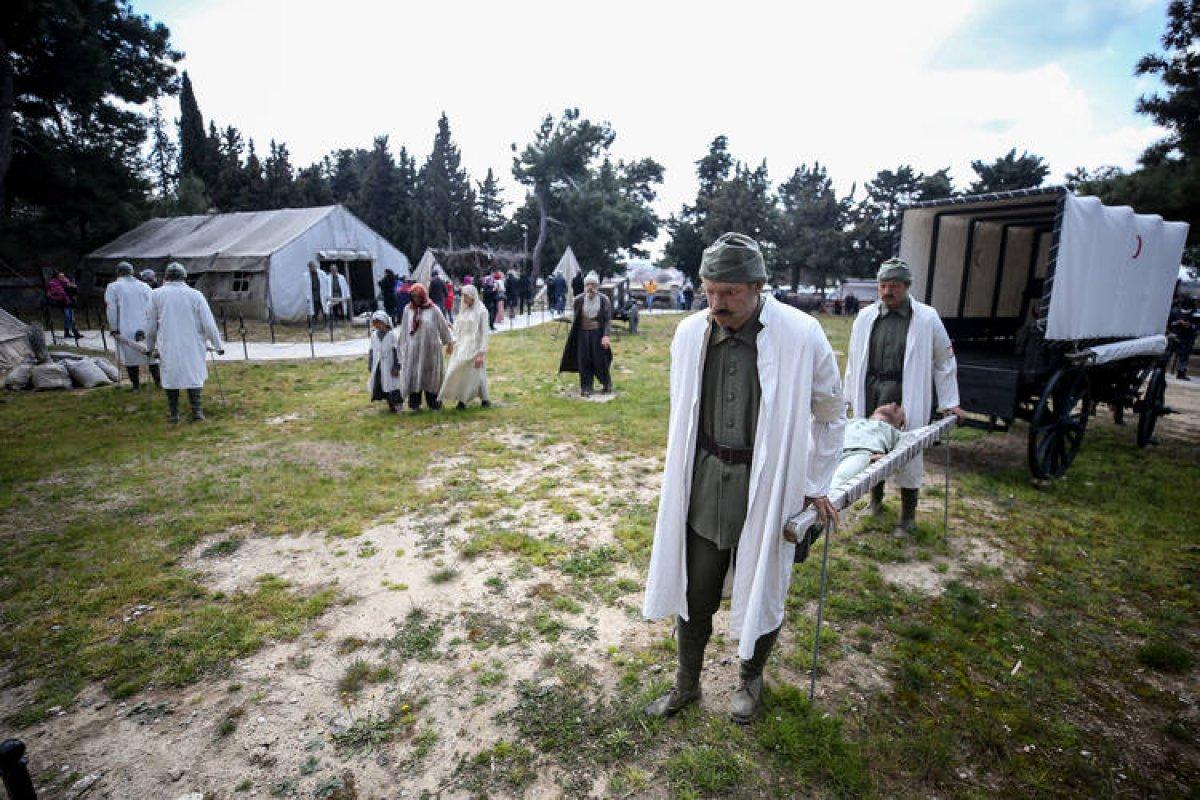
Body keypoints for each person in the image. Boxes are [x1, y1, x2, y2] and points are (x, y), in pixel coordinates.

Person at [642, 232, 845, 724]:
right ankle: (686, 685)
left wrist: (815, 482)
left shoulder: (801, 334)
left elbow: (831, 412)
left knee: (764, 584)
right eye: (710, 291)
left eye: (730, 292)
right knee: (695, 590)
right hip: (706, 482)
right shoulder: (690, 333)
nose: (717, 303)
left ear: (758, 287)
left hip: (770, 481)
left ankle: (751, 680)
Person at [844, 257, 963, 538]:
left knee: (908, 452)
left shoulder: (926, 317)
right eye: (883, 285)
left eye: (894, 286)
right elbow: (853, 360)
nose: (887, 291)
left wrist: (949, 402)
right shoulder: (865, 317)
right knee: (870, 444)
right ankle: (876, 500)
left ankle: (908, 516)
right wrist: (848, 397)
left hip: (904, 392)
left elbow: (944, 360)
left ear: (907, 286)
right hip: (871, 389)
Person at [144, 262, 224, 423]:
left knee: (171, 376)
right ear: (184, 277)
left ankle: (175, 414)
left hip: (168, 343)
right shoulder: (195, 295)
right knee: (193, 374)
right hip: (193, 343)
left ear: (166, 277)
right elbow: (209, 323)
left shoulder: (156, 295)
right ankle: (197, 412)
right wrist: (218, 345)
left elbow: (150, 325)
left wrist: (150, 346)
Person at [397, 283, 453, 411]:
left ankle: (434, 403)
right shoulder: (408, 309)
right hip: (414, 350)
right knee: (414, 375)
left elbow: (443, 325)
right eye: (413, 296)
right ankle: (415, 404)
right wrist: (402, 345)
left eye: (418, 296)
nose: (416, 299)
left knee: (431, 377)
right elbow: (405, 328)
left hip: (430, 350)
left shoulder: (433, 309)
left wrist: (449, 342)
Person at [104, 261, 160, 390]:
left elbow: (111, 309)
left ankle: (136, 386)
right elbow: (154, 307)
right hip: (146, 326)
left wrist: (114, 328)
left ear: (118, 272)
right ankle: (158, 382)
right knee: (151, 354)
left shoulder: (113, 287)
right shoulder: (144, 286)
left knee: (130, 357)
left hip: (126, 326)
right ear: (132, 272)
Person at [559, 271, 612, 396]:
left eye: (593, 285)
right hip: (583, 333)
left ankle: (606, 383)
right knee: (584, 360)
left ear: (597, 286)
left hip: (598, 333)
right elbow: (576, 317)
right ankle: (586, 387)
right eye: (588, 285)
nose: (590, 288)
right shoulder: (579, 300)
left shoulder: (604, 300)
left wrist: (606, 336)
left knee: (600, 360)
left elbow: (607, 319)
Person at [438, 284, 491, 410]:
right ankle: (471, 398)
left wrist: (481, 354)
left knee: (473, 373)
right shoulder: (465, 310)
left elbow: (484, 334)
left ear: (472, 296)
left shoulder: (482, 311)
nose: (463, 298)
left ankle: (466, 400)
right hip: (462, 346)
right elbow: (459, 328)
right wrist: (450, 325)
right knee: (458, 371)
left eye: (465, 295)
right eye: (462, 295)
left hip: (475, 347)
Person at [367, 310, 402, 413]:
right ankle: (389, 402)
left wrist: (396, 366)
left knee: (393, 384)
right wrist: (370, 363)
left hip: (390, 363)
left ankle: (397, 404)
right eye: (375, 323)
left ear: (385, 322)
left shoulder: (392, 335)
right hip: (379, 364)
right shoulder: (374, 335)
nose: (377, 326)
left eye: (379, 323)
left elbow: (397, 351)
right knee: (381, 383)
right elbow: (372, 350)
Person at [1168, 297, 1197, 380]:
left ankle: (1181, 373)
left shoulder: (1195, 314)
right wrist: (1178, 322)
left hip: (1188, 338)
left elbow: (1197, 326)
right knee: (1169, 353)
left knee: (1184, 356)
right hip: (1175, 336)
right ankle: (1160, 370)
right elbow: (1169, 323)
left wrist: (1190, 325)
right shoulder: (1175, 312)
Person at [46, 271, 81, 339]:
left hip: (70, 303)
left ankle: (68, 332)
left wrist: (73, 287)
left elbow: (74, 293)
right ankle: (74, 332)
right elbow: (60, 293)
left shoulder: (66, 283)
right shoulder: (56, 284)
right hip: (63, 303)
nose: (62, 277)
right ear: (57, 277)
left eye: (63, 276)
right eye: (60, 276)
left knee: (70, 317)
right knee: (69, 317)